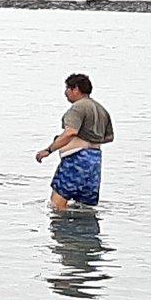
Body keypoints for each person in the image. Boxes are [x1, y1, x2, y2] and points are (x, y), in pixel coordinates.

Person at [35, 74, 114, 210]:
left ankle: (61, 230)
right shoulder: (102, 110)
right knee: (84, 208)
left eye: (67, 88)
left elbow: (71, 132)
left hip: (75, 160)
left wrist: (48, 150)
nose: (65, 93)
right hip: (94, 162)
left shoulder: (78, 107)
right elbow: (109, 137)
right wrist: (90, 139)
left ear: (76, 89)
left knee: (56, 205)